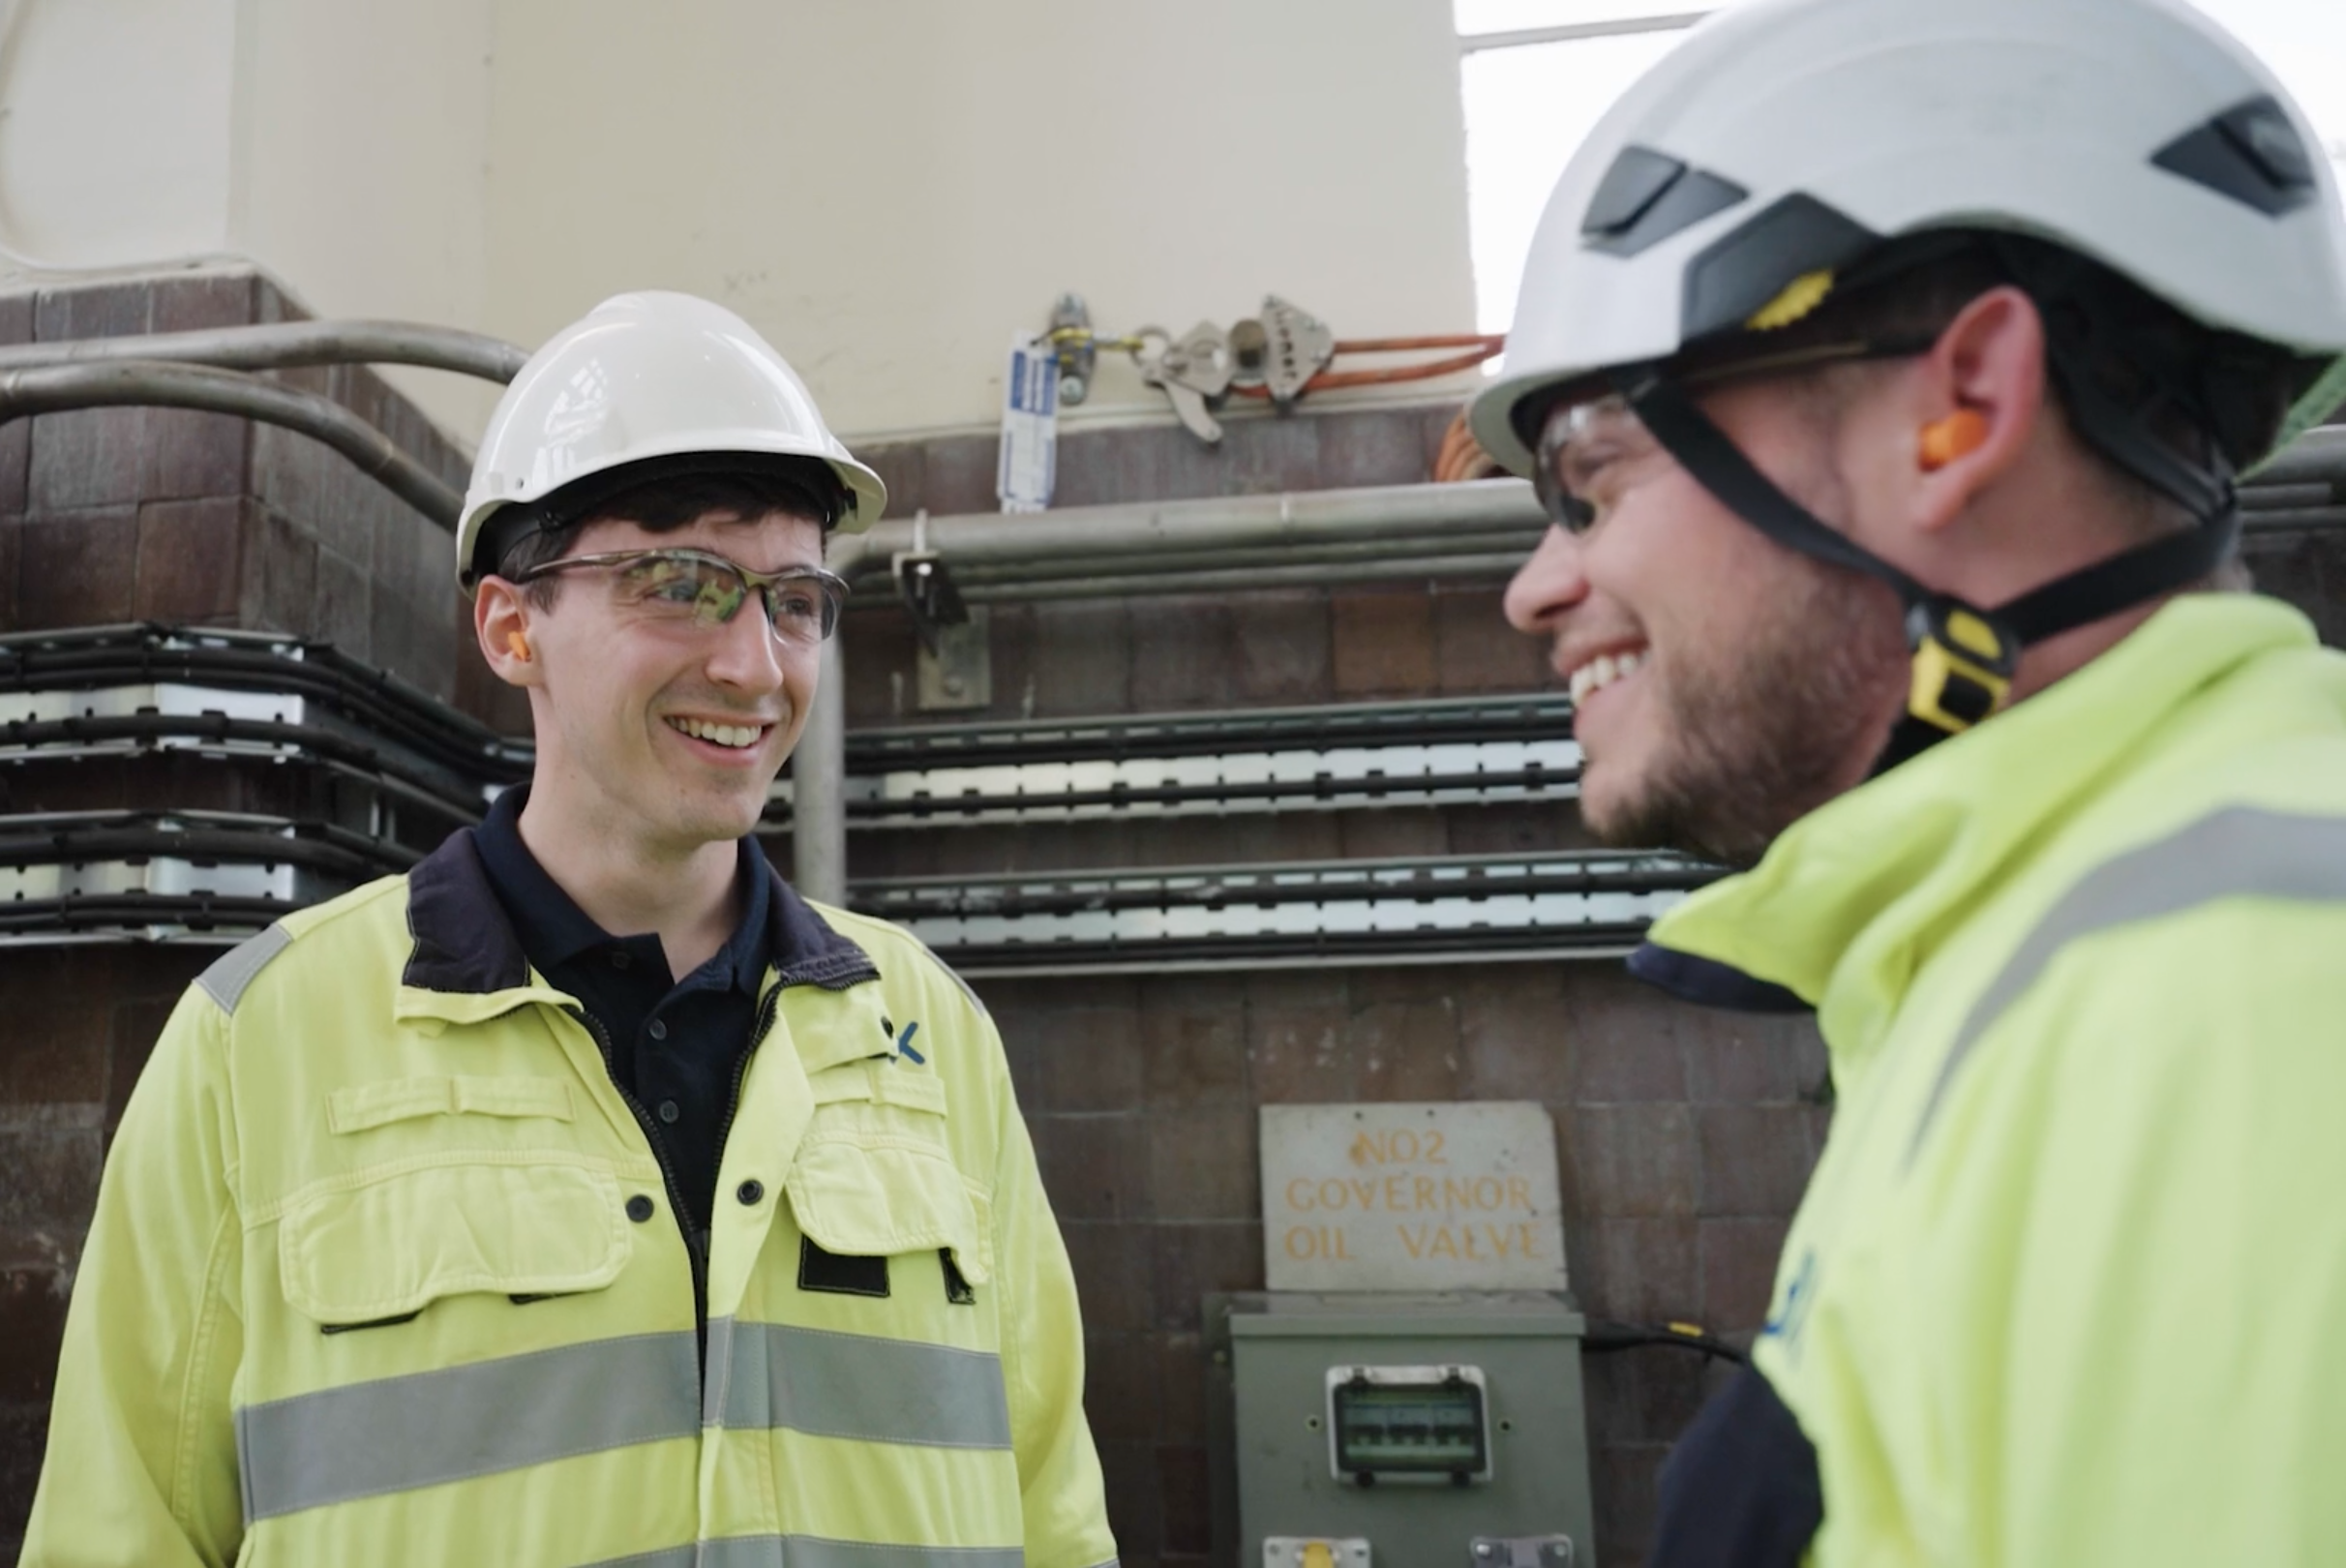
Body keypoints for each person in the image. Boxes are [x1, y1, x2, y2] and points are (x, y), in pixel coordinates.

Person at [22, 291, 1119, 1568]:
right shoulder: (255, 1044)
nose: (758, 666)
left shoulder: (928, 1031)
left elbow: (1052, 1512)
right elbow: (122, 1533)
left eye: (795, 598)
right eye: (682, 583)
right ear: (509, 626)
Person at [1470, 0, 2346, 1561]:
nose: (1540, 586)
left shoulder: (2251, 1003)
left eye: (1595, 477)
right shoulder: (2043, 957)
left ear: (1965, 412)